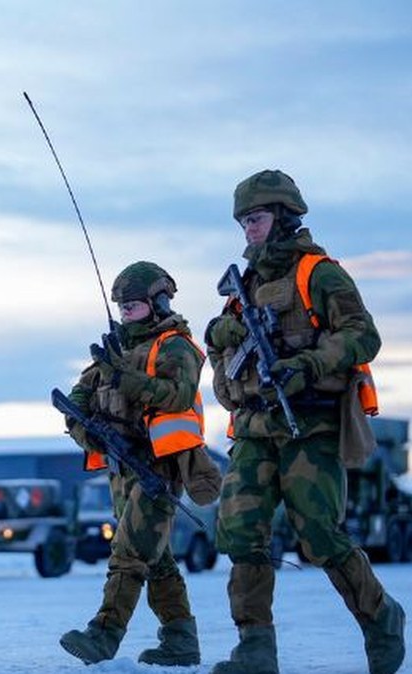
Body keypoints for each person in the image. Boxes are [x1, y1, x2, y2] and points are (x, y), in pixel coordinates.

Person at [205, 169, 404, 674]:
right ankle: (255, 647)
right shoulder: (245, 285)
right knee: (240, 530)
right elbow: (223, 352)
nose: (249, 229)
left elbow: (363, 335)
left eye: (256, 218)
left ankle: (381, 619)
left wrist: (309, 364)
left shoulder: (318, 273)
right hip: (253, 428)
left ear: (283, 215)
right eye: (244, 221)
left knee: (319, 533)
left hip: (309, 423)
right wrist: (223, 332)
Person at [60, 261, 220, 666]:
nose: (125, 313)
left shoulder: (176, 346)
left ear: (158, 301)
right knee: (157, 557)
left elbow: (178, 394)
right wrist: (86, 431)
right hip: (120, 466)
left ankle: (104, 635)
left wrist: (123, 377)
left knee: (130, 552)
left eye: (132, 306)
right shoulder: (117, 349)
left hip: (159, 467)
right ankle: (181, 642)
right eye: (122, 307)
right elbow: (81, 396)